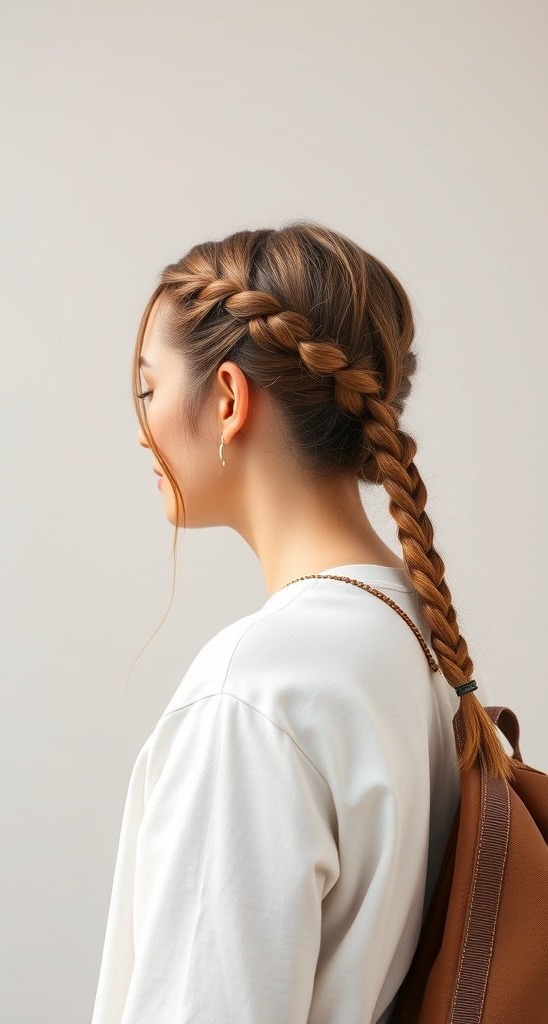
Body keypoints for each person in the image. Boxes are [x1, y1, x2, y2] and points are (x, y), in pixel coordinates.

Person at [90, 221, 511, 1024]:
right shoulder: (410, 634)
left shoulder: (252, 693)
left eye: (148, 389)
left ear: (227, 398)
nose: (140, 425)